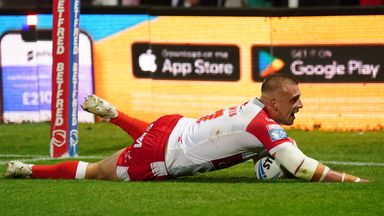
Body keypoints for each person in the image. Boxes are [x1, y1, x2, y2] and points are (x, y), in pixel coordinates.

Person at [4, 74, 368, 182]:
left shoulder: (253, 108)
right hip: (160, 155)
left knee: (160, 137)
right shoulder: (266, 128)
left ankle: (115, 115)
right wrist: (352, 180)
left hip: (169, 125)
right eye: (295, 100)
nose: (301, 105)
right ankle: (30, 171)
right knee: (95, 172)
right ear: (273, 104)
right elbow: (303, 167)